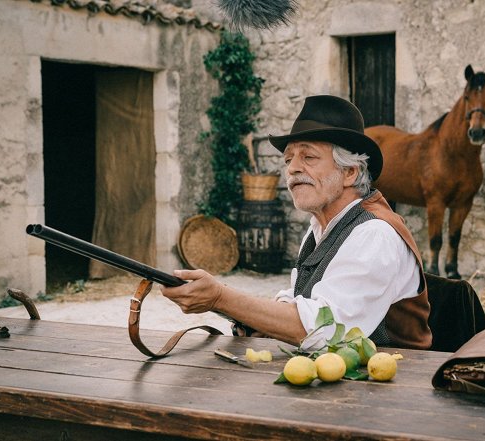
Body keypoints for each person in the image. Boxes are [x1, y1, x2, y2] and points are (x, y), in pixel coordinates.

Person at [161, 95, 432, 350]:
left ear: (350, 172)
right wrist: (257, 321)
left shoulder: (374, 234)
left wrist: (221, 297)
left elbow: (324, 330)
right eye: (289, 159)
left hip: (391, 389)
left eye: (309, 157)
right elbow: (300, 302)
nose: (292, 168)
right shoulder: (321, 228)